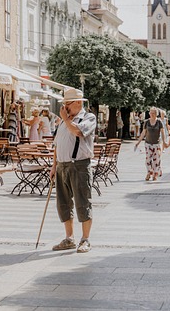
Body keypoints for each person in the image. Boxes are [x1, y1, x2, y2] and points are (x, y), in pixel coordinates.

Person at [50, 87, 97, 253]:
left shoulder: (88, 117)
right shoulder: (64, 120)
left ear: (77, 103)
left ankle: (85, 239)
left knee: (83, 202)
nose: (64, 108)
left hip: (79, 165)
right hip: (62, 165)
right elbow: (57, 143)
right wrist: (54, 165)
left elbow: (78, 132)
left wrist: (65, 119)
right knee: (63, 203)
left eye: (67, 104)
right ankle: (69, 238)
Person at [135, 107, 168, 181]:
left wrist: (164, 142)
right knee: (148, 160)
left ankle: (155, 174)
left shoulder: (159, 122)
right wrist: (138, 142)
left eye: (153, 113)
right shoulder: (146, 122)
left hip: (157, 143)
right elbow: (143, 133)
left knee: (156, 160)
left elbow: (162, 133)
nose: (152, 114)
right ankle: (149, 172)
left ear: (156, 114)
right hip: (148, 143)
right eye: (151, 113)